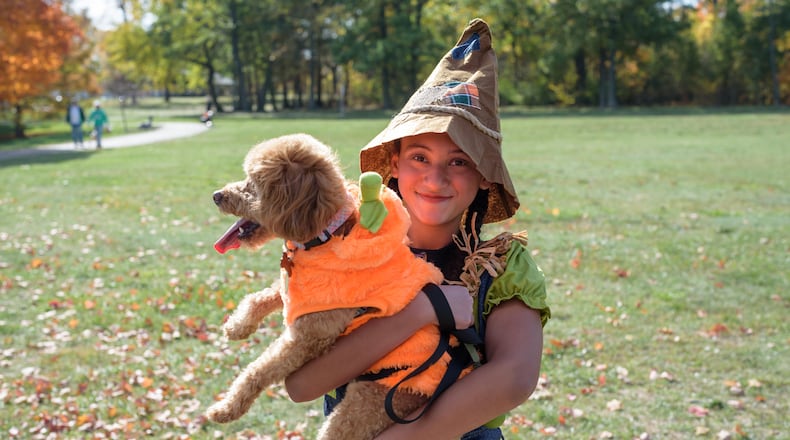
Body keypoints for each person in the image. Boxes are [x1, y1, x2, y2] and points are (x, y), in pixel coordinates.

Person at [285, 18, 550, 439]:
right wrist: (424, 310)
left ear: (485, 175)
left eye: (459, 161)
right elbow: (302, 383)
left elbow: (514, 377)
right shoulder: (346, 252)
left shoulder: (499, 267)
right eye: (420, 157)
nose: (435, 178)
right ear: (393, 163)